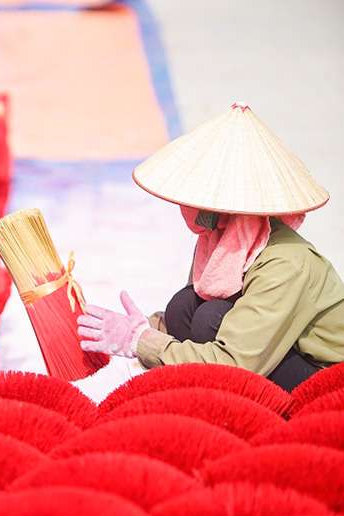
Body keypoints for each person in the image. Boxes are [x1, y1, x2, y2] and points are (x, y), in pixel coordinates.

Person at [77, 102, 344, 391]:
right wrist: (145, 328)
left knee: (209, 319)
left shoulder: (287, 264)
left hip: (325, 377)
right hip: (264, 353)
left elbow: (234, 361)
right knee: (183, 308)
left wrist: (141, 342)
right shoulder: (218, 238)